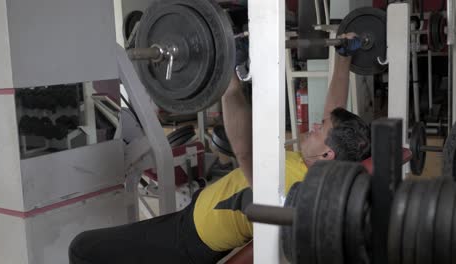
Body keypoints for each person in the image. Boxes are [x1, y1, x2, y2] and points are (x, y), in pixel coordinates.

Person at [68, 33, 371, 264]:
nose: (314, 126)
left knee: (81, 249)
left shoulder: (290, 189)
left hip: (191, 239)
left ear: (328, 154)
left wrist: (229, 80)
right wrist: (343, 57)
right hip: (194, 214)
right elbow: (336, 112)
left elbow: (244, 151)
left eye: (321, 128)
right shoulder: (327, 170)